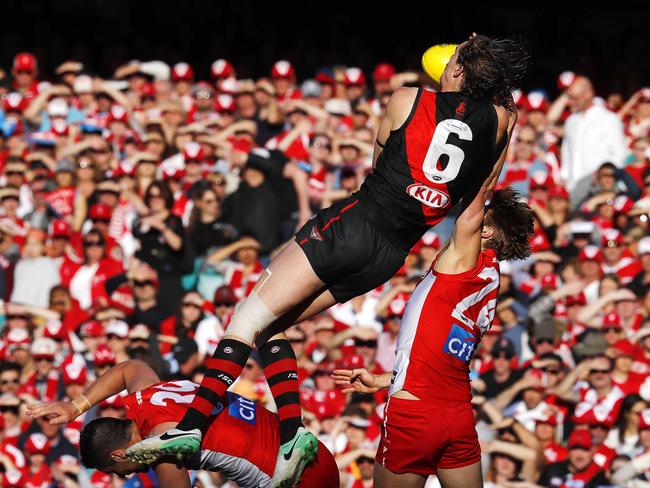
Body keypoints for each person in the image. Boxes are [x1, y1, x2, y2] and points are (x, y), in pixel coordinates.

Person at [125, 34, 529, 486]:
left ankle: (189, 429)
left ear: (454, 73)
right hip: (390, 254)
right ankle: (293, 436)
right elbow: (486, 184)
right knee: (271, 327)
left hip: (353, 225)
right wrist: (502, 118)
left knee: (245, 319)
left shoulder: (407, 99)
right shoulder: (497, 122)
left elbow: (380, 165)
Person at [332, 186, 534, 487]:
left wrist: (496, 139)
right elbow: (438, 357)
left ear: (487, 230)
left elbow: (480, 184)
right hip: (458, 414)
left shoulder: (463, 262)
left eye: (482, 215)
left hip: (415, 414)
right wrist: (382, 379)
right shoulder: (490, 279)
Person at [26, 358, 340, 488]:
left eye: (116, 473)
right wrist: (76, 406)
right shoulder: (147, 396)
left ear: (117, 456)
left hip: (301, 478)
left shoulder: (161, 448)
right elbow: (130, 367)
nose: (125, 476)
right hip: (311, 451)